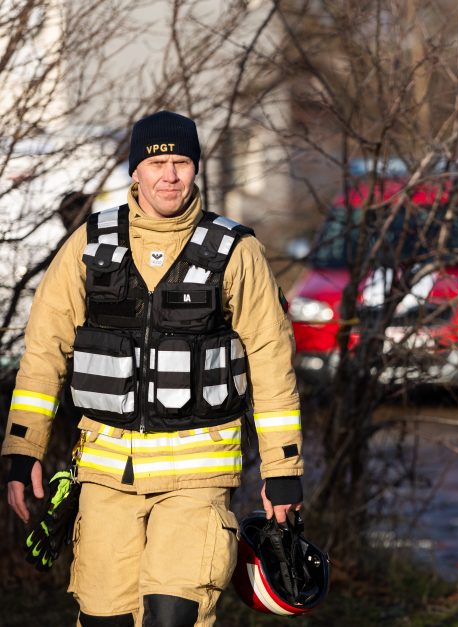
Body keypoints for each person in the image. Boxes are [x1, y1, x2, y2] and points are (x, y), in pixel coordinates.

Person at [2, 111, 304, 626]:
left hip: (199, 477)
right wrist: (21, 448)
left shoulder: (236, 252)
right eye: (157, 162)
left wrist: (283, 472)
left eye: (181, 162)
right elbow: (43, 354)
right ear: (134, 172)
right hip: (104, 477)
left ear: (196, 168)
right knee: (104, 618)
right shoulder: (89, 245)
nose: (170, 174)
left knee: (173, 617)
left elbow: (273, 364)